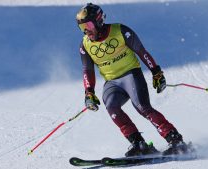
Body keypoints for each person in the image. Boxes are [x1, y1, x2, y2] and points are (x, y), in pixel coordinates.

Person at [76, 3, 188, 157]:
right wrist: (89, 92)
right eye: (82, 27)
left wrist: (156, 72)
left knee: (142, 107)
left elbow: (142, 52)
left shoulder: (120, 31)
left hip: (131, 75)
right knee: (112, 107)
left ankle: (176, 140)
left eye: (88, 25)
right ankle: (138, 144)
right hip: (112, 82)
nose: (86, 31)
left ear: (99, 20)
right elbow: (87, 70)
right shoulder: (85, 45)